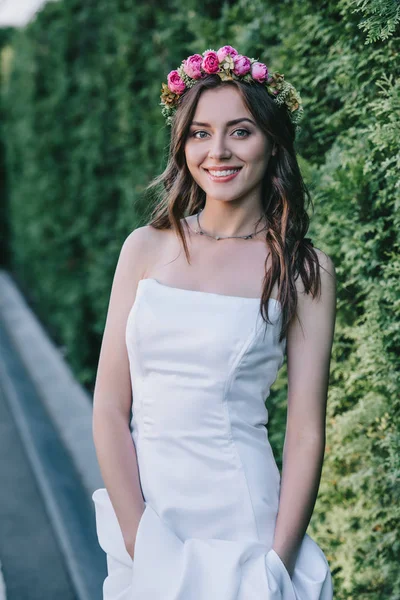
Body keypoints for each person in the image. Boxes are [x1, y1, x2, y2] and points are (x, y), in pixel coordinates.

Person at [91, 45, 336, 599]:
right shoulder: (145, 249)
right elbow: (109, 408)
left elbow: (303, 432)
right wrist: (139, 541)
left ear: (272, 142)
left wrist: (277, 563)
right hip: (150, 520)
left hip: (244, 528)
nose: (217, 151)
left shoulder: (303, 268)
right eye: (200, 132)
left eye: (240, 131)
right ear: (183, 144)